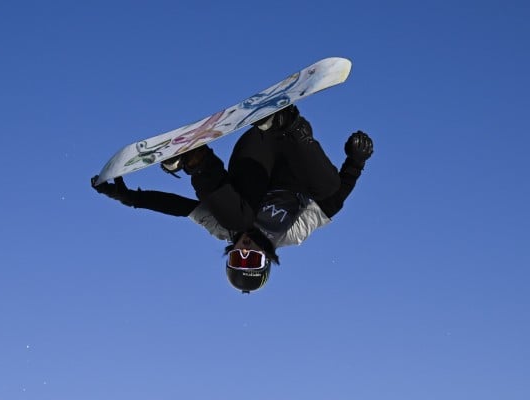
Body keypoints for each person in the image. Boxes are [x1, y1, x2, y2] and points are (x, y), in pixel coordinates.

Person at [92, 103, 373, 293]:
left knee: (236, 219)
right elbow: (334, 201)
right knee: (328, 189)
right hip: (290, 142)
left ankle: (194, 159)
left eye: (238, 258)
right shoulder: (293, 233)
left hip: (255, 153)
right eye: (251, 261)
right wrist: (356, 161)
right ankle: (284, 121)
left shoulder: (224, 229)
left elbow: (178, 207)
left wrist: (130, 198)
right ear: (267, 259)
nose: (245, 251)